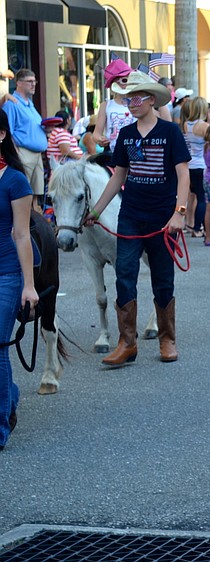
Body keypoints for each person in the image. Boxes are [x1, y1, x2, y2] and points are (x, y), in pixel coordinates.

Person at [83, 75, 190, 365]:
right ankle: (126, 342)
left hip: (163, 217)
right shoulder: (127, 135)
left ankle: (167, 339)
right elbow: (118, 176)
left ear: (152, 100)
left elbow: (183, 175)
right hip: (130, 216)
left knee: (163, 280)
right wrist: (95, 211)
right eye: (128, 99)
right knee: (124, 276)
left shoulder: (170, 132)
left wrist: (179, 213)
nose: (131, 103)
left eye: (137, 98)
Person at [0, 110, 39, 452]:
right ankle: (10, 396)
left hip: (8, 273)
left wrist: (29, 285)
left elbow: (22, 234)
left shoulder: (15, 180)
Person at [3, 69, 47, 212]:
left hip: (37, 155)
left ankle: (33, 226)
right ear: (19, 83)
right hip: (23, 153)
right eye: (29, 81)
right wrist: (14, 154)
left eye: (35, 81)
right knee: (21, 193)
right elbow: (7, 131)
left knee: (35, 195)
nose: (33, 84)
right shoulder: (12, 104)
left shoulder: (30, 105)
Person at [180, 96, 210, 238]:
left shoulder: (187, 124)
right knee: (202, 198)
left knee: (195, 195)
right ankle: (198, 227)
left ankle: (193, 225)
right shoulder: (204, 126)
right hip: (202, 164)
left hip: (191, 164)